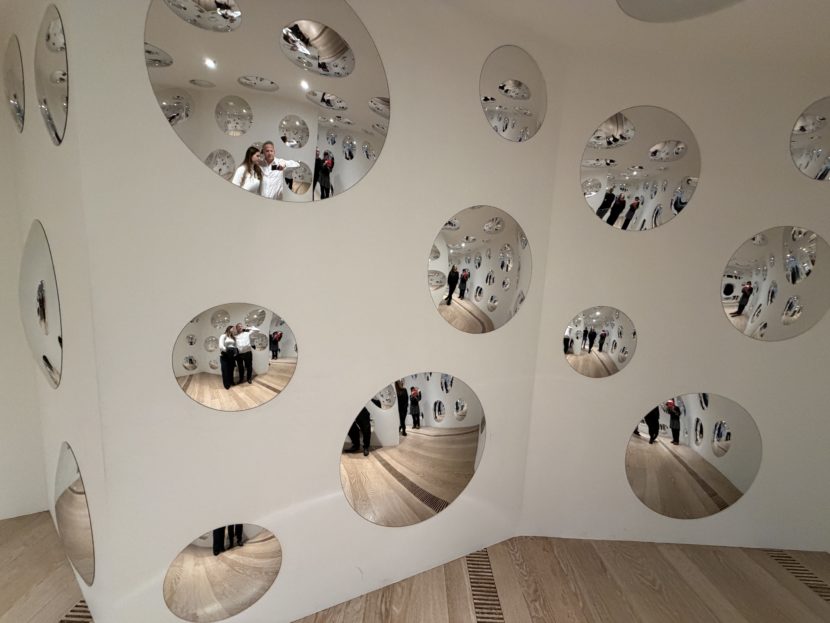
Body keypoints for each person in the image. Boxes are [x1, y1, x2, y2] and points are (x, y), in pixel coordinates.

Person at [219, 325, 238, 390]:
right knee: (225, 370)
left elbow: (235, 346)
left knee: (231, 369)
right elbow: (221, 346)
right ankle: (226, 384)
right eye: (233, 328)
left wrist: (235, 352)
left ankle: (231, 381)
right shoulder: (223, 336)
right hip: (225, 355)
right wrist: (227, 351)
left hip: (232, 355)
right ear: (229, 329)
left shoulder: (233, 338)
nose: (234, 330)